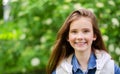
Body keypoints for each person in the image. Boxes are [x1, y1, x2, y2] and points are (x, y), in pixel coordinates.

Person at [46, 8, 120, 74]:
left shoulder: (111, 69)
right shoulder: (59, 72)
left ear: (94, 35)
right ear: (67, 37)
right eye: (74, 32)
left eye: (85, 31)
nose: (80, 37)